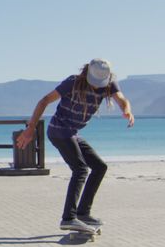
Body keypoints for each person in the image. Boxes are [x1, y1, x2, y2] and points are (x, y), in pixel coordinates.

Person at [15, 58, 135, 233]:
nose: (96, 87)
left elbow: (122, 99)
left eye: (99, 84)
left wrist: (127, 110)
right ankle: (68, 218)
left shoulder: (109, 84)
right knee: (80, 169)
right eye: (93, 83)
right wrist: (30, 128)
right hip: (59, 130)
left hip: (73, 133)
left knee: (100, 167)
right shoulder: (72, 83)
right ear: (86, 74)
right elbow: (44, 101)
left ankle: (83, 213)